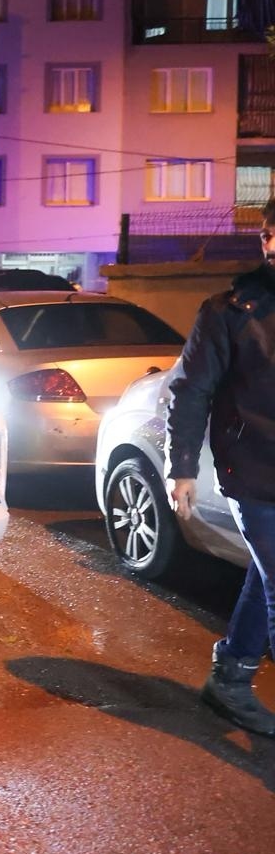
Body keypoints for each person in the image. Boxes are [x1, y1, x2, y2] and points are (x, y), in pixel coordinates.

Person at [165, 198, 275, 738]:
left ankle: (230, 676)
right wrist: (181, 467)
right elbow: (191, 391)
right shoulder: (229, 312)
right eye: (272, 234)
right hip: (254, 472)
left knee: (266, 571)